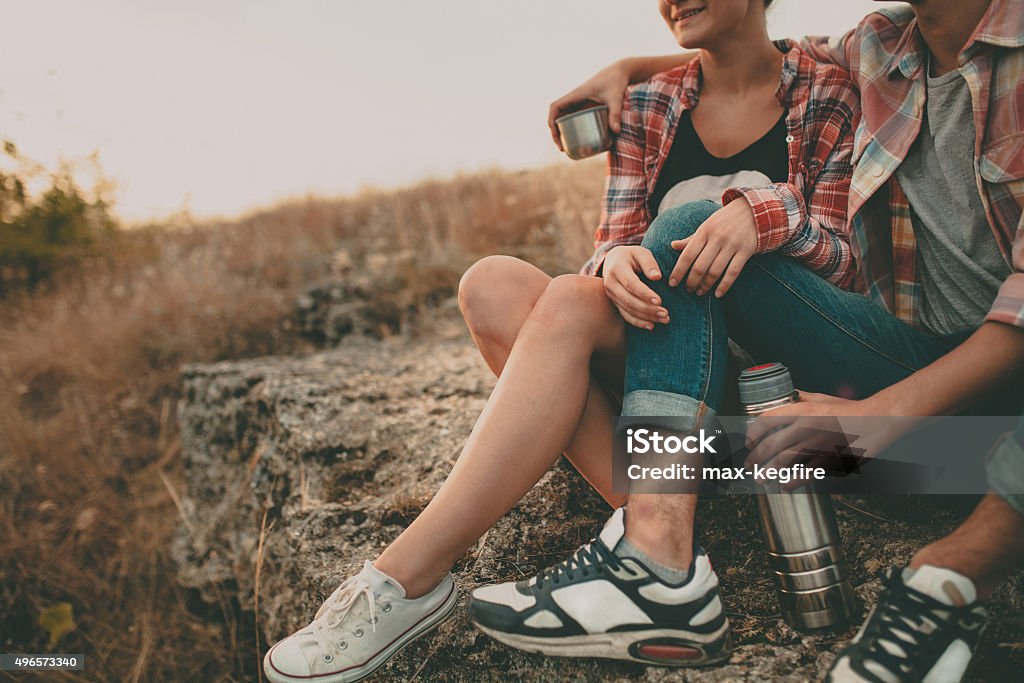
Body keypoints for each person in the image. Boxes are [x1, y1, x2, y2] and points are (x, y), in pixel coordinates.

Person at [262, 1, 861, 681]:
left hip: (761, 395)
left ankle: (407, 577)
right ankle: (652, 525)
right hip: (658, 377)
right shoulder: (649, 104)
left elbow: (843, 262)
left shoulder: (826, 85)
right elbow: (607, 252)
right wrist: (614, 264)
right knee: (494, 284)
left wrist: (759, 216)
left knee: (657, 242)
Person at [503, 1, 1024, 681]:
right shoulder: (881, 45)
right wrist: (627, 69)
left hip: (982, 403)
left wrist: (873, 423)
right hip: (917, 370)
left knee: (787, 436)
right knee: (691, 227)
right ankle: (657, 544)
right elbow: (748, 54)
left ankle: (669, 544)